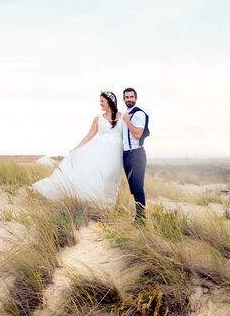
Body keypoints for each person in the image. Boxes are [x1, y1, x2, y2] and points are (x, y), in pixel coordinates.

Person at [32, 91, 126, 206]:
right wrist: (76, 148)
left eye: (102, 101)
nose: (100, 103)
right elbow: (89, 136)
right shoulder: (98, 118)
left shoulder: (123, 117)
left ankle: (109, 203)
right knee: (101, 176)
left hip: (116, 153)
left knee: (112, 177)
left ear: (109, 102)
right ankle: (100, 204)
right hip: (100, 153)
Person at [121, 87, 148, 220]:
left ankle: (141, 219)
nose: (129, 99)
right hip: (126, 155)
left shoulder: (139, 114)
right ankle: (138, 215)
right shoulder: (124, 115)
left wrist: (127, 121)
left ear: (135, 98)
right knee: (133, 189)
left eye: (132, 97)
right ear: (123, 99)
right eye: (127, 97)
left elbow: (137, 134)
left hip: (137, 154)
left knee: (138, 188)